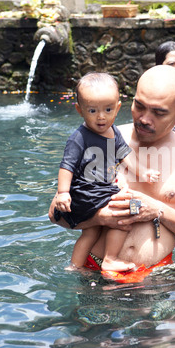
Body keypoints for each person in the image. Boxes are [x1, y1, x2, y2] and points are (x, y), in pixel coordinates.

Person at [49, 65, 175, 283]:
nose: (145, 119)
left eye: (158, 112)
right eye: (139, 106)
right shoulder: (103, 140)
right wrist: (99, 217)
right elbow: (56, 213)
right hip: (93, 270)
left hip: (156, 276)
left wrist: (156, 209)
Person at [54, 72, 158, 273]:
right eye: (92, 110)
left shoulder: (114, 132)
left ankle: (74, 266)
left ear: (118, 108)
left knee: (90, 233)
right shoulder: (79, 137)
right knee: (124, 213)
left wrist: (143, 173)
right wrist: (63, 192)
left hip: (100, 190)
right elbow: (66, 166)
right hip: (86, 192)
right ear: (79, 110)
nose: (101, 117)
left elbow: (125, 156)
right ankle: (110, 259)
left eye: (108, 109)